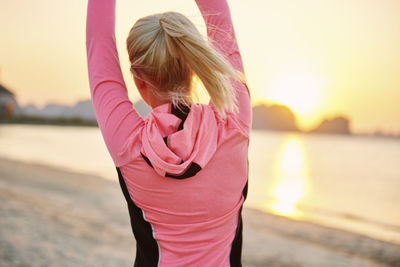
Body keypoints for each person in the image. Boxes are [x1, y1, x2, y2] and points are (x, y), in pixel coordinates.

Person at [86, 0, 251, 266]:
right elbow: (220, 16)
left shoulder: (128, 143)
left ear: (139, 81)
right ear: (194, 69)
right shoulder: (235, 122)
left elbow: (98, 43)